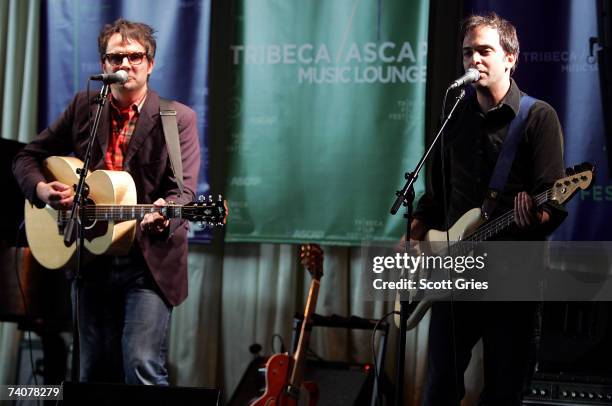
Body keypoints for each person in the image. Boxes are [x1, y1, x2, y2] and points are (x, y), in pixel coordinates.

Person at [13, 18, 200, 385]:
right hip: (89, 258)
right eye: (116, 58)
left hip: (148, 262)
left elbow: (186, 194)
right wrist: (42, 191)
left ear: (150, 63)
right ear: (103, 66)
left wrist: (164, 214)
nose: (125, 65)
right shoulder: (85, 106)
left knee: (141, 364)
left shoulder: (176, 118)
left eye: (135, 57)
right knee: (92, 370)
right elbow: (26, 157)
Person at [410, 12, 566, 405]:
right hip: (455, 277)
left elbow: (554, 202)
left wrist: (536, 215)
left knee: (503, 388)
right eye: (467, 53)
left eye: (484, 51)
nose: (473, 60)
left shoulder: (537, 117)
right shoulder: (453, 119)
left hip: (512, 278)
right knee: (439, 387)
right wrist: (414, 237)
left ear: (510, 57)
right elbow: (435, 199)